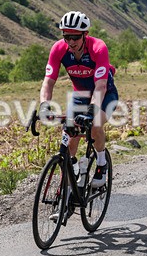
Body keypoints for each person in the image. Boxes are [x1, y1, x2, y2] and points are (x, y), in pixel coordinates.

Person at [39, 11, 119, 191]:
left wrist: (92, 110)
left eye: (75, 37)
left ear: (85, 34)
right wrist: (44, 106)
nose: (71, 41)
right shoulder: (58, 49)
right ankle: (73, 170)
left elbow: (100, 86)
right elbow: (48, 82)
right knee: (70, 133)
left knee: (95, 124)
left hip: (105, 94)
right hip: (80, 95)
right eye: (67, 36)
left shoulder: (98, 48)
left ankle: (101, 164)